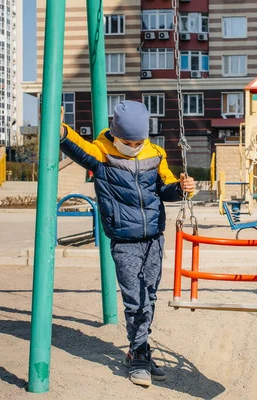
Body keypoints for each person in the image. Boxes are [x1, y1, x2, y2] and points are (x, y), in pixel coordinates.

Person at [58, 100, 195, 387]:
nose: (133, 146)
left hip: (154, 238)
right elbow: (72, 144)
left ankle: (139, 347)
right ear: (115, 134)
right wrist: (57, 127)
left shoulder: (155, 154)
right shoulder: (101, 154)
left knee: (151, 296)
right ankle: (140, 353)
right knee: (136, 300)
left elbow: (166, 188)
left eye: (138, 141)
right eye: (127, 141)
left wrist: (182, 189)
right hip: (125, 241)